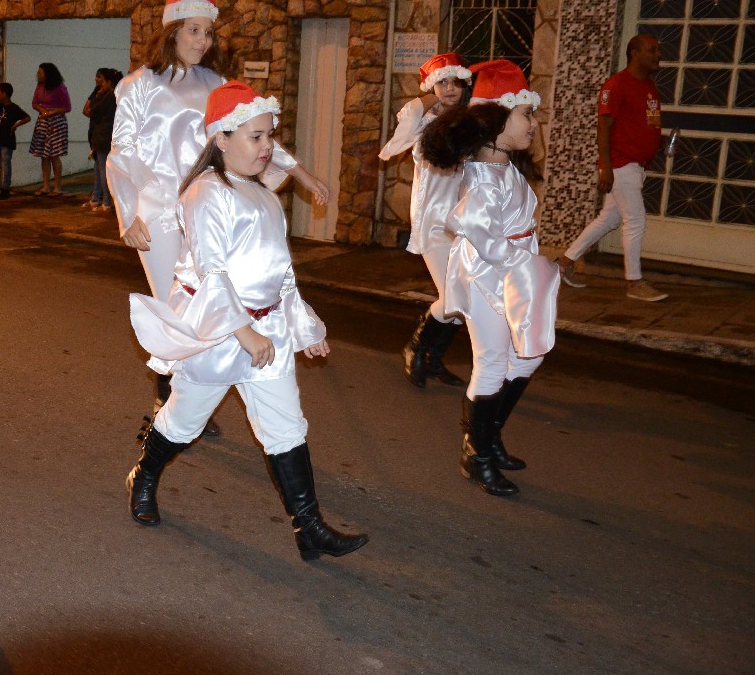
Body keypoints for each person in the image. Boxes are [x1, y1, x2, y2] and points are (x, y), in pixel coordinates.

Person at [125, 81, 369, 561]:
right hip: (219, 333)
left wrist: (305, 328)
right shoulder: (205, 194)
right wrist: (243, 332)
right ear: (222, 138)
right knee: (182, 423)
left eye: (269, 136)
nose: (267, 147)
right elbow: (213, 274)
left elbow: (279, 274)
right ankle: (145, 475)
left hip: (266, 333)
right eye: (255, 137)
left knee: (286, 427)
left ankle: (310, 528)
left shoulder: (261, 195)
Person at [109, 0, 330, 441]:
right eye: (194, 31)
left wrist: (304, 175)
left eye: (208, 32)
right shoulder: (136, 86)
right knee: (183, 304)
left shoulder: (214, 85)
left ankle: (185, 400)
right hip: (158, 213)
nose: (203, 41)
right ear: (172, 32)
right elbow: (121, 152)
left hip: (211, 203)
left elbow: (253, 131)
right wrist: (127, 214)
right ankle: (170, 402)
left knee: (216, 295)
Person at [418, 60, 559, 498]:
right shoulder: (483, 179)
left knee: (528, 355)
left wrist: (527, 261)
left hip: (512, 271)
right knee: (494, 361)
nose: (533, 124)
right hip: (486, 275)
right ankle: (477, 454)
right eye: (526, 114)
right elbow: (478, 232)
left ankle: (488, 436)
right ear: (496, 121)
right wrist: (525, 262)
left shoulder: (505, 168)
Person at [379, 52, 473, 389]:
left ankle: (433, 359)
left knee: (465, 298)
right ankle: (415, 348)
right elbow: (412, 112)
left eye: (455, 82)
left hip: (463, 220)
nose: (450, 89)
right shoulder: (420, 117)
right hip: (433, 219)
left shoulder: (468, 120)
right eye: (442, 83)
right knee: (453, 298)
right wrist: (433, 89)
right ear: (431, 87)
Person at [556, 34, 668, 302]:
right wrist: (606, 167)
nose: (658, 55)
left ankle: (563, 263)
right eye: (652, 50)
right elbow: (603, 128)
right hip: (620, 164)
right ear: (635, 53)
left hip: (637, 165)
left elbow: (646, 122)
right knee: (636, 220)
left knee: (609, 218)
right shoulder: (616, 85)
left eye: (658, 50)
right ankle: (634, 282)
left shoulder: (649, 85)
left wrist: (657, 144)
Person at [29, 63, 70, 195]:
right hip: (43, 121)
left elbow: (67, 107)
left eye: (40, 73)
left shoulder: (60, 88)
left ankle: (57, 187)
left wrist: (51, 112)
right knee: (43, 155)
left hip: (57, 122)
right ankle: (45, 185)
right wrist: (42, 110)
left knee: (54, 155)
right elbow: (34, 103)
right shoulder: (40, 86)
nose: (38, 75)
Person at [81, 68, 120, 211]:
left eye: (102, 81)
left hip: (104, 136)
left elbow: (93, 111)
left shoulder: (109, 97)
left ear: (109, 82)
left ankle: (107, 202)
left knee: (103, 170)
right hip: (102, 136)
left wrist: (98, 97)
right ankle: (96, 198)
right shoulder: (112, 95)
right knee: (98, 168)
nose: (100, 84)